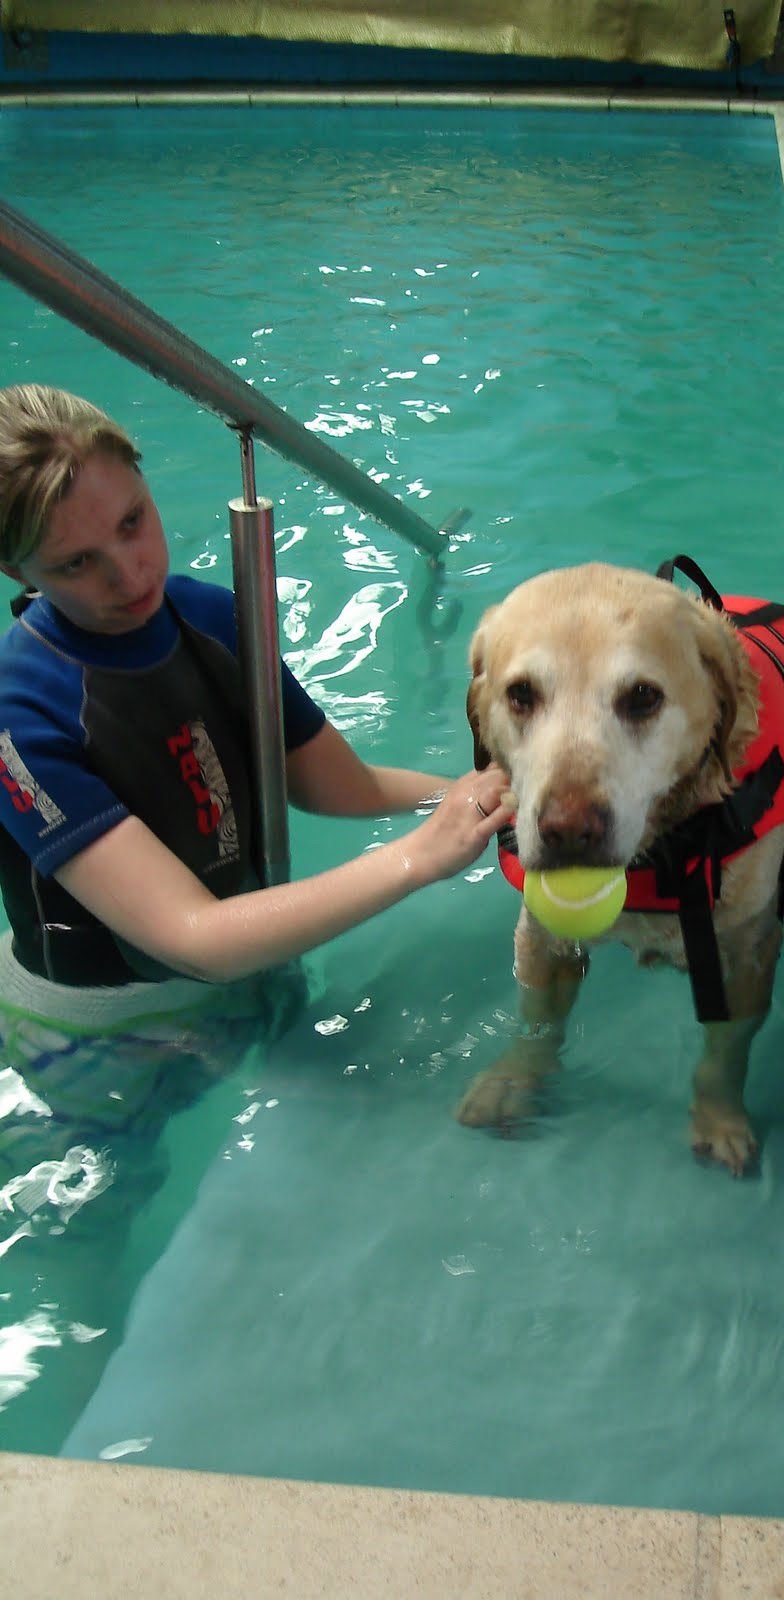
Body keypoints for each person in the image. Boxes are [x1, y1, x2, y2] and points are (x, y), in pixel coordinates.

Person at [0, 383, 510, 1447]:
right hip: (97, 1044)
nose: (126, 575)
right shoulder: (21, 708)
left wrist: (474, 797)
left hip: (244, 971)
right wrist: (422, 861)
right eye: (74, 565)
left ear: (145, 482)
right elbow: (183, 932)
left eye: (131, 525)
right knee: (91, 1250)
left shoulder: (215, 613)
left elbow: (333, 782)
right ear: (18, 575)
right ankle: (69, 1464)